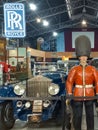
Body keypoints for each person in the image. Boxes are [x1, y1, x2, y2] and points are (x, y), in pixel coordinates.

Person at [66, 35, 98, 130]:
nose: (83, 58)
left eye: (85, 56)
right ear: (79, 57)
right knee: (78, 116)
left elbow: (97, 82)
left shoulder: (92, 69)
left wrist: (97, 93)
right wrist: (70, 93)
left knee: (90, 116)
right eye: (81, 56)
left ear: (87, 57)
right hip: (77, 94)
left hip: (90, 94)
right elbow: (69, 82)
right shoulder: (74, 69)